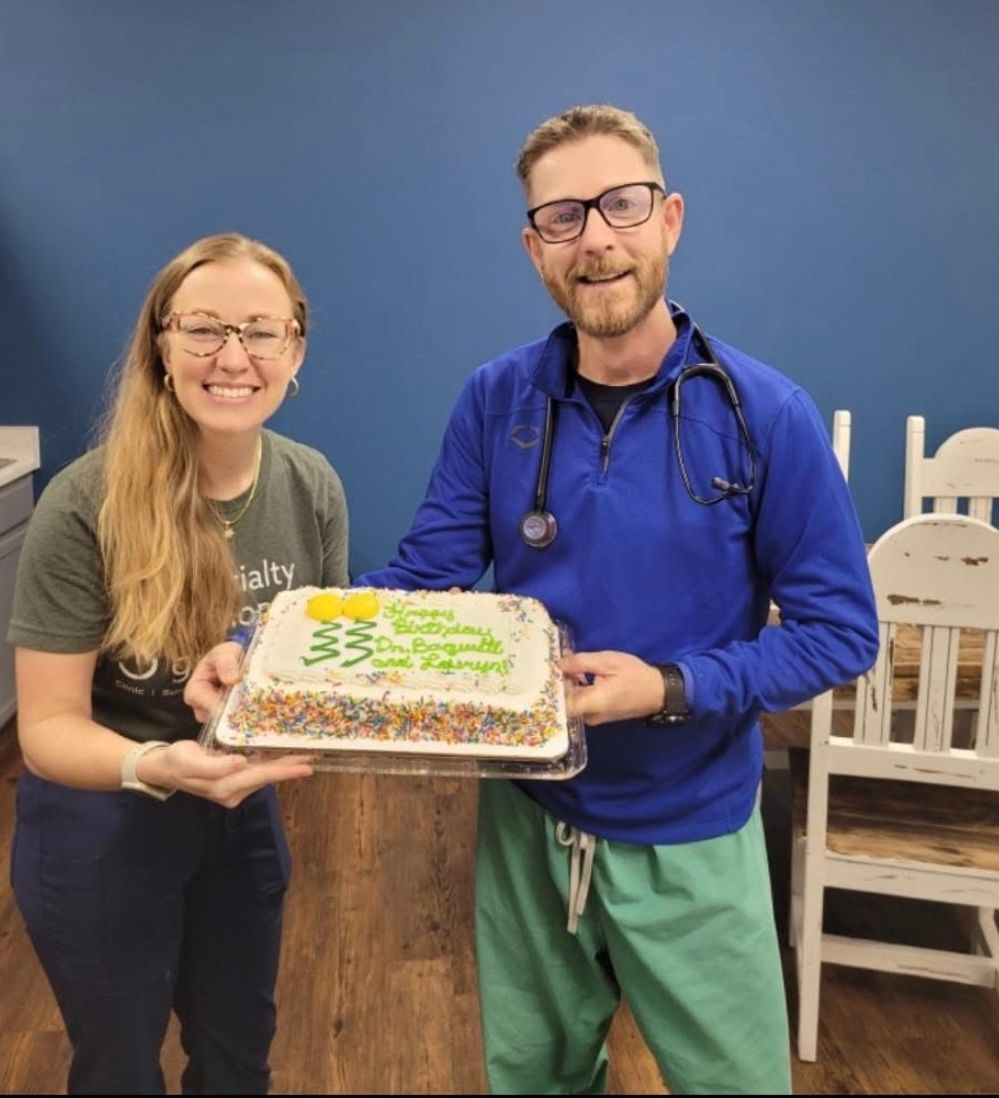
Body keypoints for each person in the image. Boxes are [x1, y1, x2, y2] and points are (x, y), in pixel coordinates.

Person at [189, 106, 878, 1094]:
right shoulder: (497, 401)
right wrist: (258, 647)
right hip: (529, 821)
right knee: (533, 1078)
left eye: (622, 207)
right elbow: (422, 576)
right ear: (534, 247)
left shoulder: (764, 415)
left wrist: (670, 686)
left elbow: (840, 631)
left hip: (690, 829)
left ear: (669, 219)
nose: (596, 237)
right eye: (563, 217)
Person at [8, 232, 349, 1095]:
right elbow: (46, 731)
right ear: (161, 347)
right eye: (202, 329)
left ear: (294, 348)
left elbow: (315, 664)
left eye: (261, 331)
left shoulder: (312, 486)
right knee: (118, 1066)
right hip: (103, 815)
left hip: (239, 812)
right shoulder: (84, 506)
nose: (232, 357)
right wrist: (156, 763)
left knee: (239, 1057)